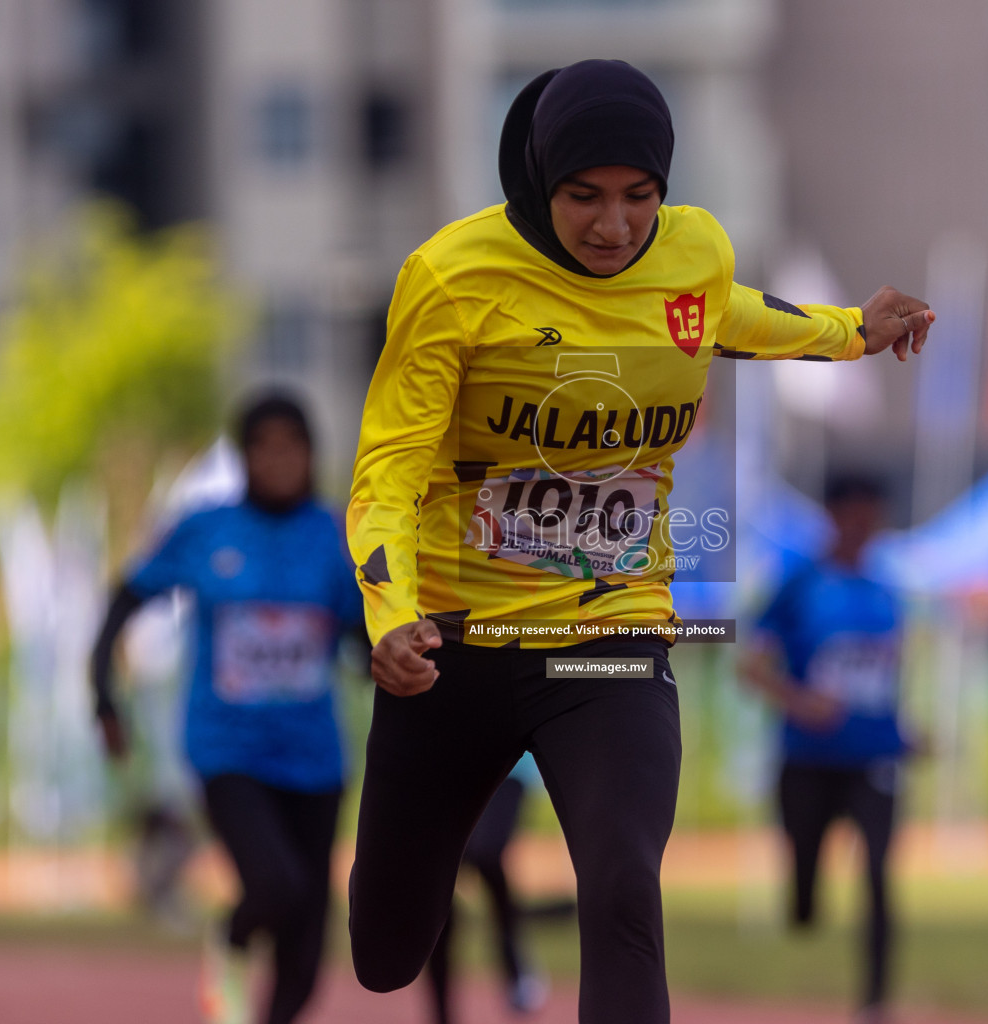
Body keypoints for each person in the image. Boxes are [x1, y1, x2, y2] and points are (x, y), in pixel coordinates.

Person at [346, 58, 933, 1024]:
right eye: (585, 198)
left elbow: (725, 318)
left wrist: (848, 332)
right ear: (541, 183)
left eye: (639, 198)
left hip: (610, 633)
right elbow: (387, 474)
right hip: (456, 644)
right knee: (384, 953)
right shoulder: (452, 278)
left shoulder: (690, 250)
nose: (615, 227)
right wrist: (394, 617)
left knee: (623, 883)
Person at [91, 392, 363, 1024]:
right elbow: (126, 598)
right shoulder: (205, 527)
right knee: (274, 888)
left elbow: (360, 637)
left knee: (305, 953)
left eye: (291, 447)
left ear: (311, 455)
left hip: (315, 757)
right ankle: (231, 940)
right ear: (243, 458)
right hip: (228, 749)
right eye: (263, 448)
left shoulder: (333, 534)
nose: (278, 461)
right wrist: (102, 691)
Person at [741, 474, 911, 1024]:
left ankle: (875, 1001)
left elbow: (884, 678)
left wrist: (906, 732)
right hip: (808, 761)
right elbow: (749, 667)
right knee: (805, 900)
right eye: (856, 517)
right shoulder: (799, 584)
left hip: (875, 760)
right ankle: (805, 902)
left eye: (874, 518)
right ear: (834, 516)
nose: (866, 529)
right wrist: (800, 701)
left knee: (880, 878)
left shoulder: (888, 590)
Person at [425, 752, 549, 1024]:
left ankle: (515, 961)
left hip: (511, 762)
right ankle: (441, 1013)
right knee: (439, 874)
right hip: (449, 767)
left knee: (486, 853)